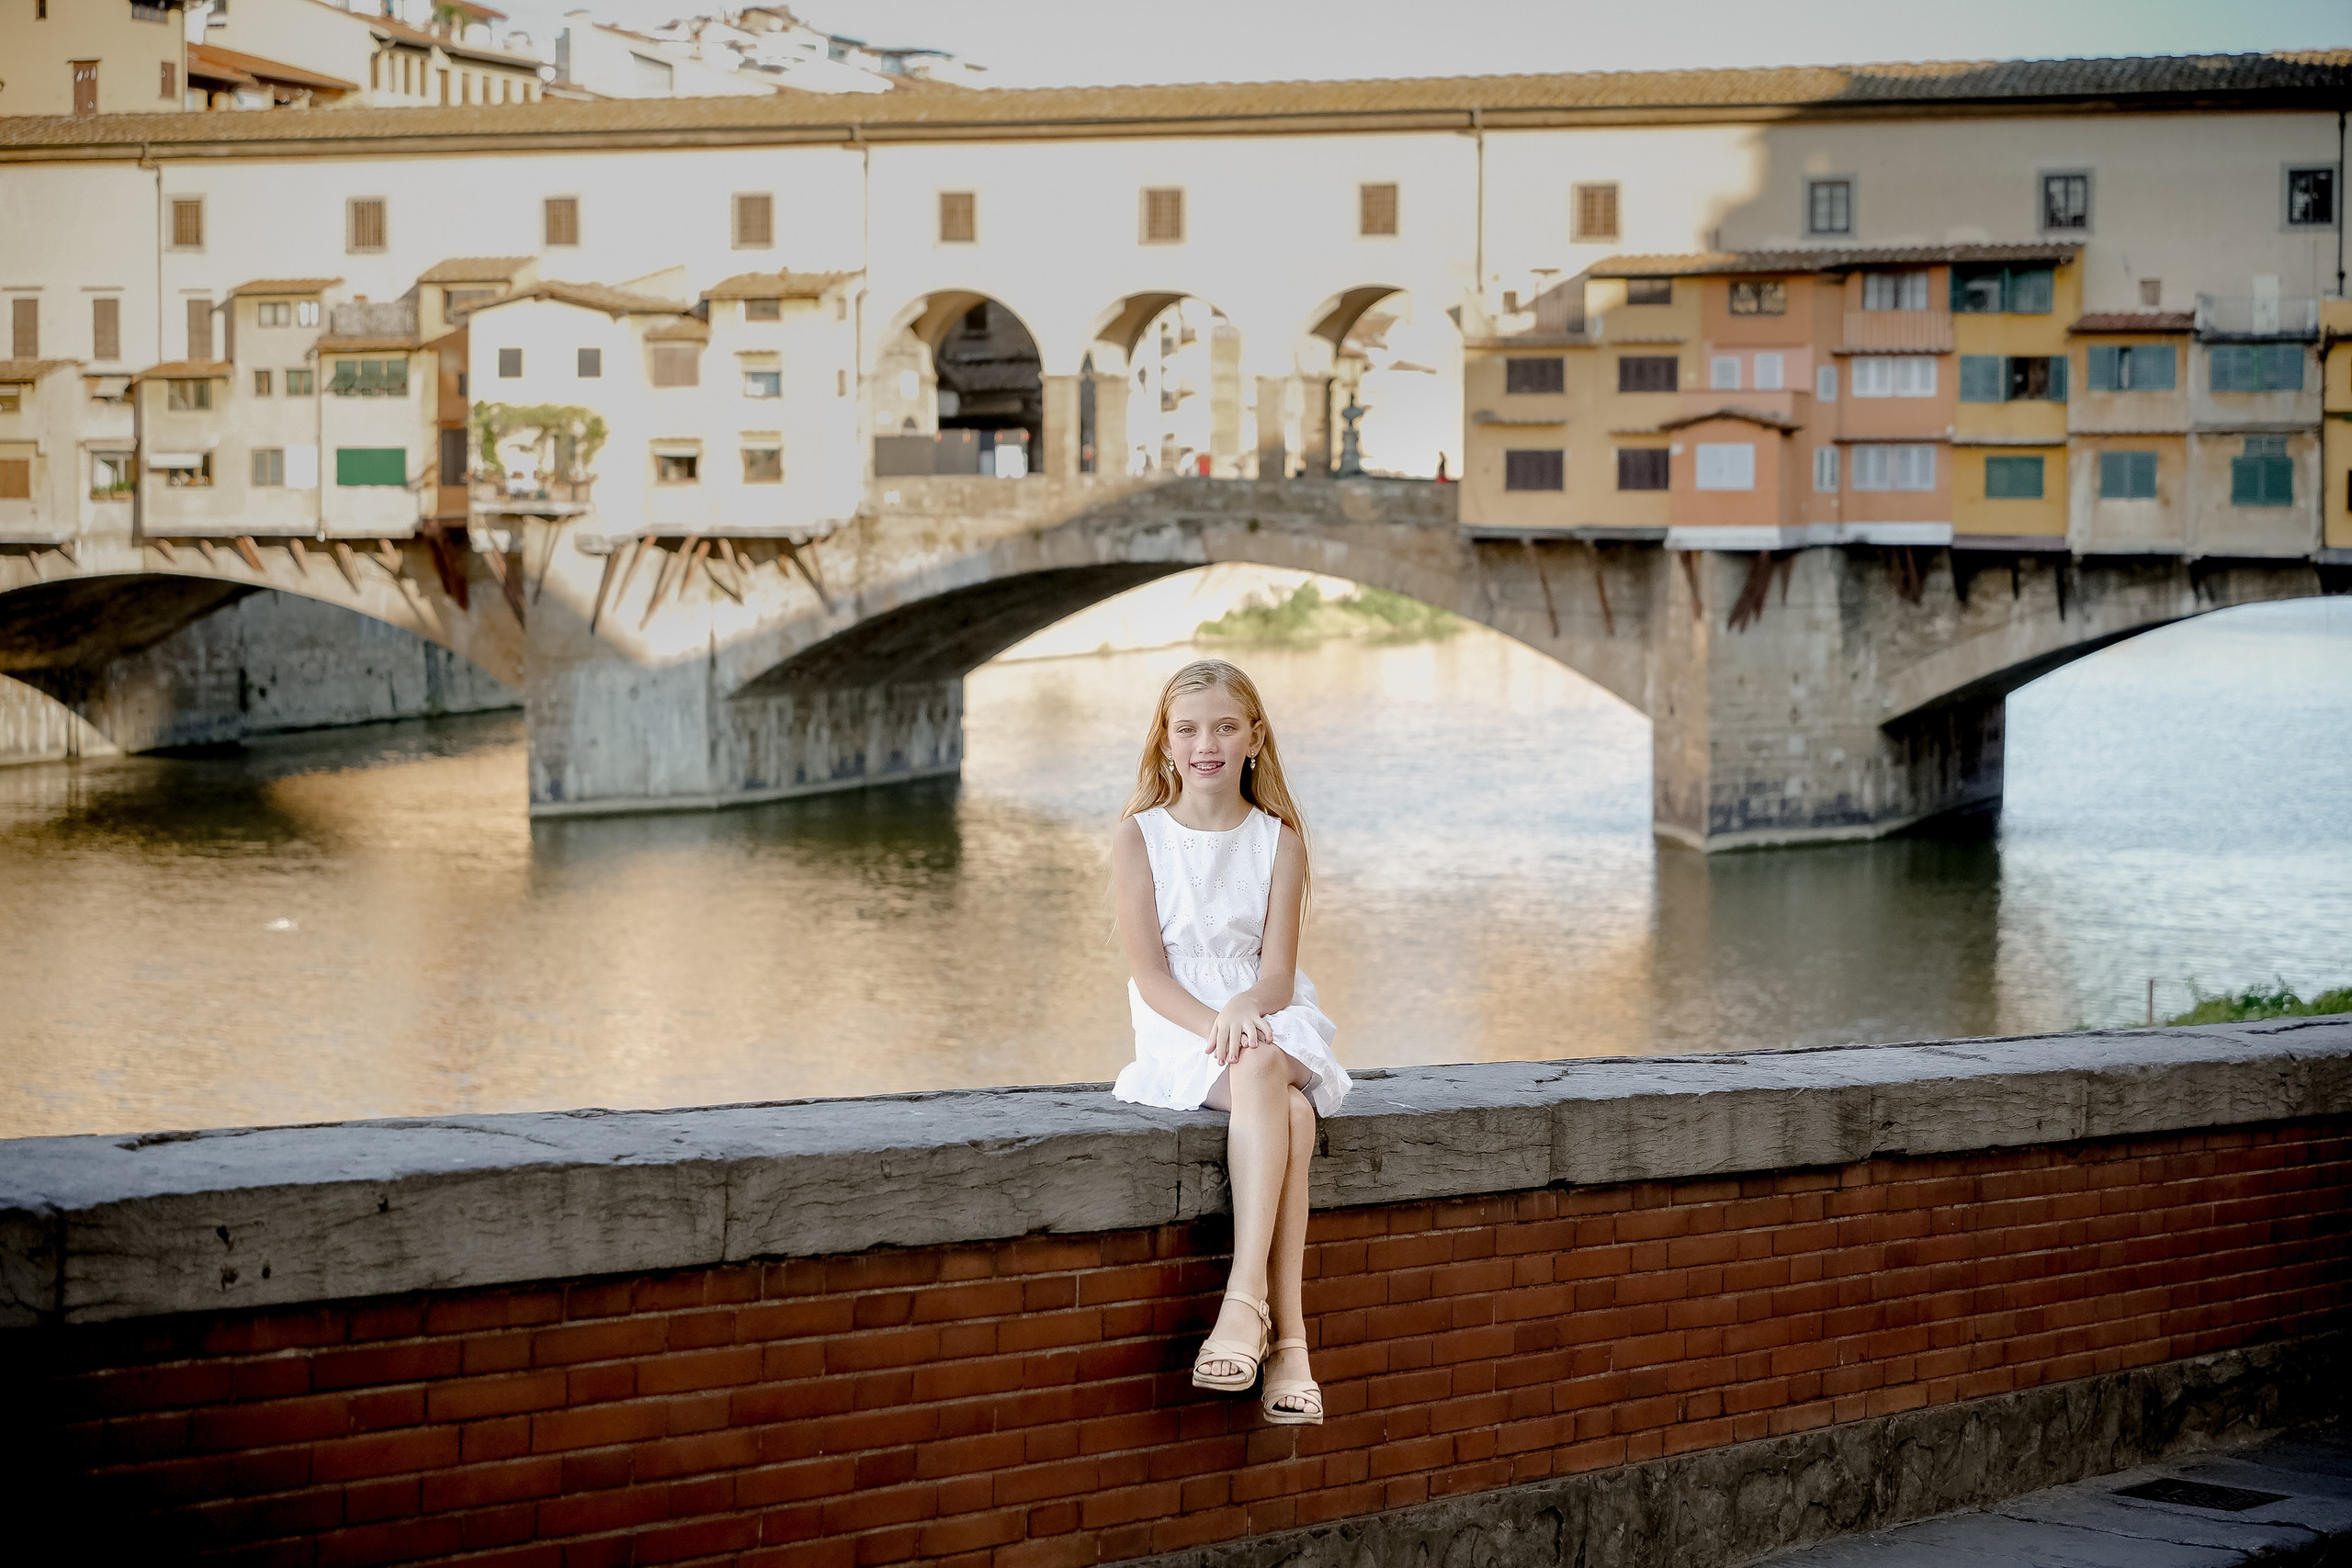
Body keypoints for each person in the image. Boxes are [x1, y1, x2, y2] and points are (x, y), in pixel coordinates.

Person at [1111, 659, 1350, 1425]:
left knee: (1263, 1062)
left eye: (1223, 727)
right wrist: (1215, 1020)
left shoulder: (1280, 840)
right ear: (1165, 741)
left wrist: (1245, 1005)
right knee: (1294, 1113)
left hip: (1266, 1014)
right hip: (1181, 1024)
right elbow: (1150, 975)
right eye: (1187, 729)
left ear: (1254, 738)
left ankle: (1246, 1306)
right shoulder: (1139, 837)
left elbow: (1276, 974)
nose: (1205, 744)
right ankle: (1289, 1344)